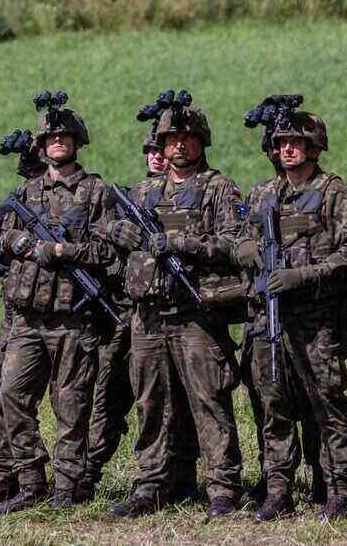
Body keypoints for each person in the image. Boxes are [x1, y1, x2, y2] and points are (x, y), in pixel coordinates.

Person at [104, 93, 246, 520]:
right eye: (170, 139)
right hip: (147, 316)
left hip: (195, 315)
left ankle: (222, 486)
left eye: (186, 138)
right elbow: (106, 224)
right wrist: (117, 232)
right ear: (161, 146)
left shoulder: (218, 187)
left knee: (208, 401)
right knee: (151, 403)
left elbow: (237, 243)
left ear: (201, 141)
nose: (179, 146)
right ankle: (152, 483)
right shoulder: (144, 190)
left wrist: (184, 243)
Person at [0, 91, 118, 515]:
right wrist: (24, 241)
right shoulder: (25, 191)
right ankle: (29, 478)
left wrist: (64, 252)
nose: (57, 142)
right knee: (11, 395)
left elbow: (108, 252)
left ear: (77, 141)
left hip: (72, 319)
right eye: (51, 138)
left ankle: (67, 485)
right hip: (27, 318)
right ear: (41, 147)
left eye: (65, 136)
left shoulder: (97, 191)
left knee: (72, 407)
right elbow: (1, 239)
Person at [234, 110, 347, 522]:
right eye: (281, 143)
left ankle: (340, 491)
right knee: (274, 408)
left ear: (313, 147)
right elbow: (238, 242)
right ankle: (278, 491)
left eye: (295, 142)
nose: (286, 149)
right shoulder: (261, 194)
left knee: (328, 406)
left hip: (314, 320)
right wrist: (248, 251)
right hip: (269, 321)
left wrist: (302, 276)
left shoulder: (333, 193)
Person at [0, 131, 49, 509]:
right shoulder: (21, 201)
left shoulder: (59, 198)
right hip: (16, 309)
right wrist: (2, 243)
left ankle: (31, 477)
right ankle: (4, 474)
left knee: (19, 393)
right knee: (4, 390)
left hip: (51, 310)